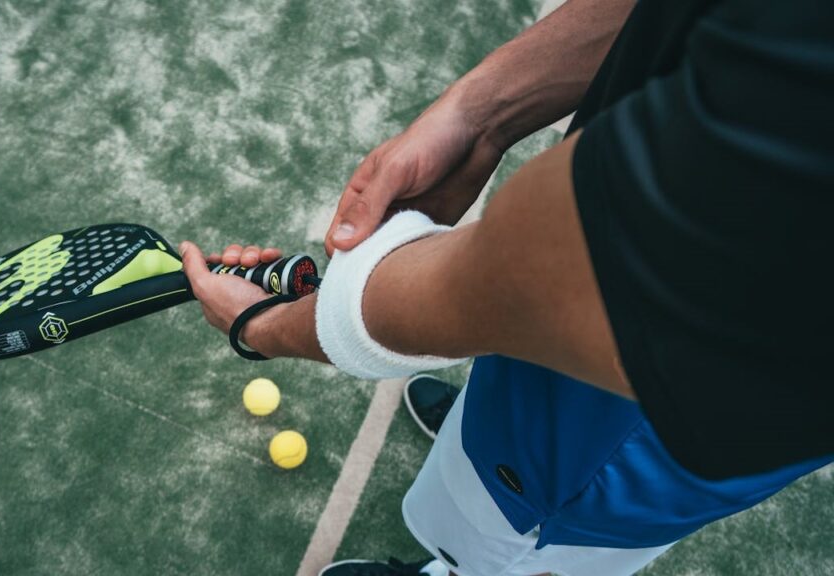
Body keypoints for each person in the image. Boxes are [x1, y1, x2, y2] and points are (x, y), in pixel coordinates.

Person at [178, 0, 834, 573]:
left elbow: (521, 287)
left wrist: (262, 327)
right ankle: (485, 432)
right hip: (586, 340)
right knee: (496, 427)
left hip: (637, 427)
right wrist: (479, 112)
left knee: (519, 551)